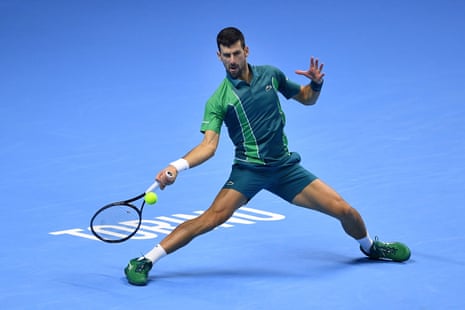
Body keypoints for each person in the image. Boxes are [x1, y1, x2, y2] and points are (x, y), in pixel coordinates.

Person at [124, 27, 411, 285]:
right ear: (219, 57)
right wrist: (176, 167)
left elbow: (307, 99)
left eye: (237, 53)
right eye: (227, 55)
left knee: (345, 211)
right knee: (210, 219)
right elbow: (209, 146)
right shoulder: (219, 99)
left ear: (246, 51)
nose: (233, 60)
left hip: (286, 170)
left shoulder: (271, 75)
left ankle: (370, 247)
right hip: (248, 172)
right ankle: (145, 260)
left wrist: (316, 85)